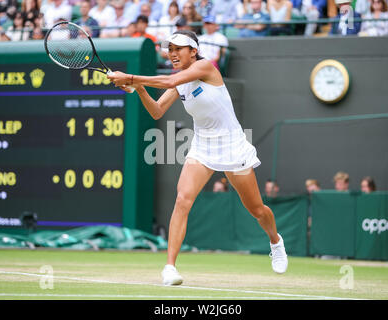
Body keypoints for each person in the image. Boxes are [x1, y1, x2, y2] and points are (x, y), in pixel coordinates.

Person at [107, 29, 288, 285]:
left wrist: (131, 77)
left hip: (233, 146)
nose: (172, 54)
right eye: (170, 49)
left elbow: (168, 83)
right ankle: (169, 267)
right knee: (182, 200)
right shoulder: (178, 79)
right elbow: (158, 111)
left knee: (257, 209)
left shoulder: (205, 67)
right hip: (202, 147)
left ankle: (275, 241)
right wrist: (139, 89)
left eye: (178, 48)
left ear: (193, 51)